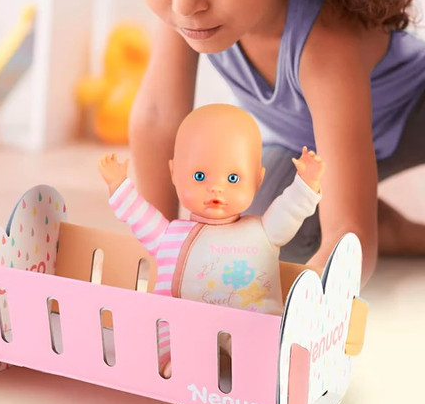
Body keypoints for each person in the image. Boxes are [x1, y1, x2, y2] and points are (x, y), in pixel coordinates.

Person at [93, 0, 425, 284]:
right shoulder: (188, 12)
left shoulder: (325, 45)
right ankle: (399, 231)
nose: (184, 3)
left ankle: (367, 216)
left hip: (413, 111)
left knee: (319, 239)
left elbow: (350, 238)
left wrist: (308, 302)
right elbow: (158, 115)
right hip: (311, 146)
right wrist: (159, 259)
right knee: (249, 229)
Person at [99, 103, 324, 377]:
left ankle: (270, 369)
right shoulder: (170, 236)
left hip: (252, 324)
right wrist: (119, 185)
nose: (216, 188)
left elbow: (291, 209)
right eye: (199, 176)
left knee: (268, 347)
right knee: (162, 332)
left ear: (258, 180)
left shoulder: (264, 230)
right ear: (174, 172)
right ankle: (179, 364)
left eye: (233, 178)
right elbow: (138, 215)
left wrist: (306, 185)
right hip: (187, 324)